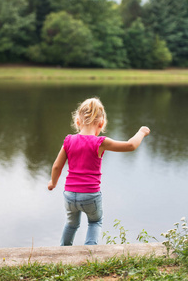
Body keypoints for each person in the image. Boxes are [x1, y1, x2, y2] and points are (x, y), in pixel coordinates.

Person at [48, 97, 150, 246]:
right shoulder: (100, 142)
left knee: (71, 224)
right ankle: (90, 253)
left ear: (78, 122)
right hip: (90, 195)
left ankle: (63, 250)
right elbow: (130, 146)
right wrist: (141, 132)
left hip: (70, 194)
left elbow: (57, 166)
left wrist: (53, 182)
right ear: (101, 124)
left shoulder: (69, 140)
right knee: (95, 222)